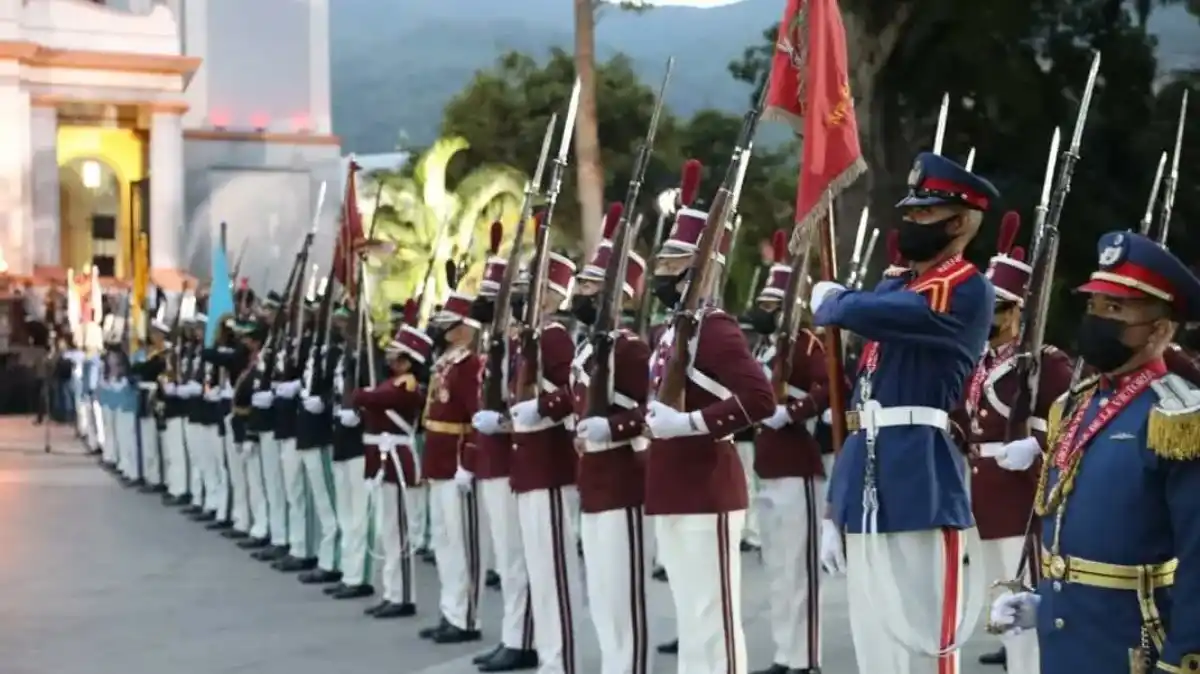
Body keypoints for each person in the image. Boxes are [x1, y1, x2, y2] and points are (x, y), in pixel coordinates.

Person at [811, 152, 998, 674]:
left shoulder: (965, 290)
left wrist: (839, 301)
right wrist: (836, 506)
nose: (911, 223)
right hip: (867, 482)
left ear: (959, 223)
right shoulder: (897, 286)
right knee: (874, 645)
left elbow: (899, 315)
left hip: (920, 476)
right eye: (910, 213)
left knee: (926, 637)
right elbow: (862, 409)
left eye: (925, 215)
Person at [989, 230, 1200, 673]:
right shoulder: (1076, 405)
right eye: (1093, 306)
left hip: (1135, 646)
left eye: (1115, 309)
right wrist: (1041, 604)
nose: (1097, 318)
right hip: (1066, 640)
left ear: (1160, 330)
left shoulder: (1179, 417)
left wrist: (1184, 658)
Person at [642, 207, 775, 674]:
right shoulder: (672, 330)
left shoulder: (713, 326)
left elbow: (761, 399)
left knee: (713, 618)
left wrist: (690, 422)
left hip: (707, 486)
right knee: (691, 616)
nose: (661, 272)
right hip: (672, 485)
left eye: (673, 262)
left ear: (699, 268)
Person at [966, 220, 1072, 673]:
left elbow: (1071, 423)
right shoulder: (979, 362)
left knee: (1022, 608)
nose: (987, 317)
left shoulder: (1045, 363)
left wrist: (1036, 443)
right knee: (1001, 606)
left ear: (1018, 312)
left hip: (1019, 497)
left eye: (998, 308)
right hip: (984, 498)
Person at [476, 255, 582, 674]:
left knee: (553, 572)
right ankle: (533, 647)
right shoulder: (528, 340)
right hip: (529, 469)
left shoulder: (554, 338)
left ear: (553, 293)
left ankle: (561, 660)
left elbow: (574, 392)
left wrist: (540, 408)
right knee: (534, 568)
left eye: (529, 286)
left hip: (551, 469)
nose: (520, 293)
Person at [570, 229, 653, 674]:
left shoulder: (630, 348)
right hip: (593, 483)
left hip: (623, 482)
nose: (579, 291)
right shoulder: (587, 349)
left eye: (588, 285)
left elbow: (651, 410)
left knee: (624, 596)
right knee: (601, 594)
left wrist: (612, 427)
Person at [746, 256, 830, 674]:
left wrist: (793, 412)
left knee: (800, 570)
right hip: (769, 467)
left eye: (769, 302)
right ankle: (785, 653)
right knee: (778, 569)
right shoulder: (765, 349)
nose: (761, 309)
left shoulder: (806, 345)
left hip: (798, 466)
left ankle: (806, 657)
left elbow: (831, 385)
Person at [470, 237, 538, 672]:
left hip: (516, 462)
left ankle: (522, 638)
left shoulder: (520, 345)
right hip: (494, 460)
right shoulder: (495, 347)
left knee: (517, 558)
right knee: (507, 555)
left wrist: (505, 420)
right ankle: (513, 634)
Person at [352, 312, 433, 618]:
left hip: (398, 461)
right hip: (383, 462)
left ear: (409, 361)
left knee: (400, 532)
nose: (390, 361)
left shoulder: (406, 387)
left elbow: (372, 398)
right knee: (389, 531)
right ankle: (392, 592)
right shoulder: (393, 383)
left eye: (396, 357)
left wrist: (362, 395)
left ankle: (404, 596)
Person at [422, 292, 485, 643]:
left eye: (450, 325)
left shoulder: (470, 365)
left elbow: (476, 416)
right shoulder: (445, 362)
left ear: (465, 330)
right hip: (438, 460)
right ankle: (450, 611)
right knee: (443, 542)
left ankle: (466, 618)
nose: (442, 331)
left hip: (457, 460)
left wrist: (470, 462)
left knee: (462, 545)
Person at [295, 304, 350, 586]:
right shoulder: (318, 351)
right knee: (320, 500)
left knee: (329, 503)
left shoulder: (339, 354)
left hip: (321, 433)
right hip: (307, 430)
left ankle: (333, 561)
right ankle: (324, 555)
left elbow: (338, 391)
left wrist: (325, 402)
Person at [327, 302, 379, 601]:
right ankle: (349, 572)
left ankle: (360, 576)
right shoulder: (342, 358)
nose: (342, 326)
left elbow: (378, 393)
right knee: (346, 512)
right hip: (341, 439)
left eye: (348, 323)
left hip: (360, 440)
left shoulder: (370, 358)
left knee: (359, 514)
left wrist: (360, 412)